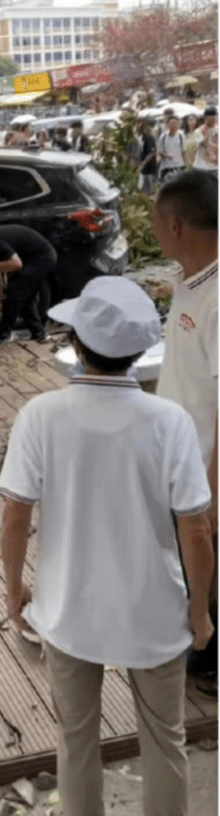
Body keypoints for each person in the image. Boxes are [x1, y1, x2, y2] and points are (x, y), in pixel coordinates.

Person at [0, 275, 214, 816]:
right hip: (155, 613)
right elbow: (195, 529)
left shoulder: (41, 414)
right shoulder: (166, 420)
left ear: (76, 341)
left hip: (68, 611)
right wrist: (200, 611)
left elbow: (16, 513)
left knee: (76, 737)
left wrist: (14, 590)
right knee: (166, 738)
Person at [153, 171, 219, 694]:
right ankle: (202, 646)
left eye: (155, 221)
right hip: (183, 454)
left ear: (175, 224)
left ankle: (211, 658)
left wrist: (214, 487)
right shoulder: (188, 281)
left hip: (208, 461)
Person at [157, 114, 186, 182]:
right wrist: (163, 156)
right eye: (172, 123)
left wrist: (186, 164)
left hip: (179, 166)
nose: (174, 125)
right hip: (166, 167)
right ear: (168, 125)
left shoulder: (181, 135)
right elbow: (159, 152)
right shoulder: (163, 137)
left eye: (176, 123)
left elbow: (184, 151)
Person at [194, 106, 219, 174]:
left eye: (213, 118)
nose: (211, 121)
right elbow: (202, 143)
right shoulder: (199, 131)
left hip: (215, 167)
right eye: (209, 119)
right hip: (202, 167)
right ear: (205, 118)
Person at [136, 121, 159, 195]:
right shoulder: (143, 138)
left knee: (150, 190)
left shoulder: (149, 138)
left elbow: (151, 153)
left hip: (150, 168)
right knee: (145, 190)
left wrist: (142, 164)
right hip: (145, 169)